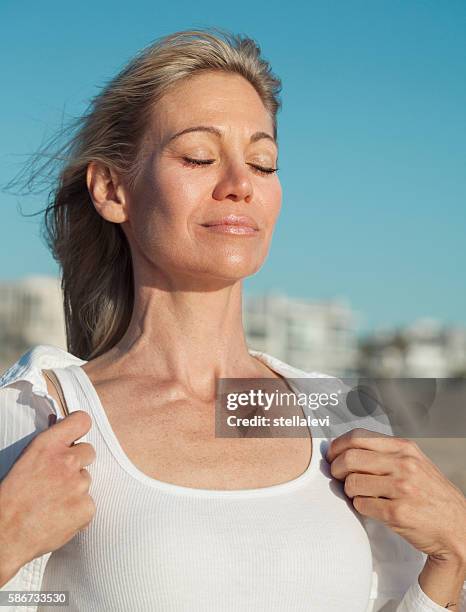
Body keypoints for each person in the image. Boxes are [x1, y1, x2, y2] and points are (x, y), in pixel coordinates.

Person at [0, 28, 465, 612]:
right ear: (112, 188)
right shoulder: (37, 413)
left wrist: (454, 556)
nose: (240, 185)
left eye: (262, 162)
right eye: (199, 156)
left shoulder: (342, 414)